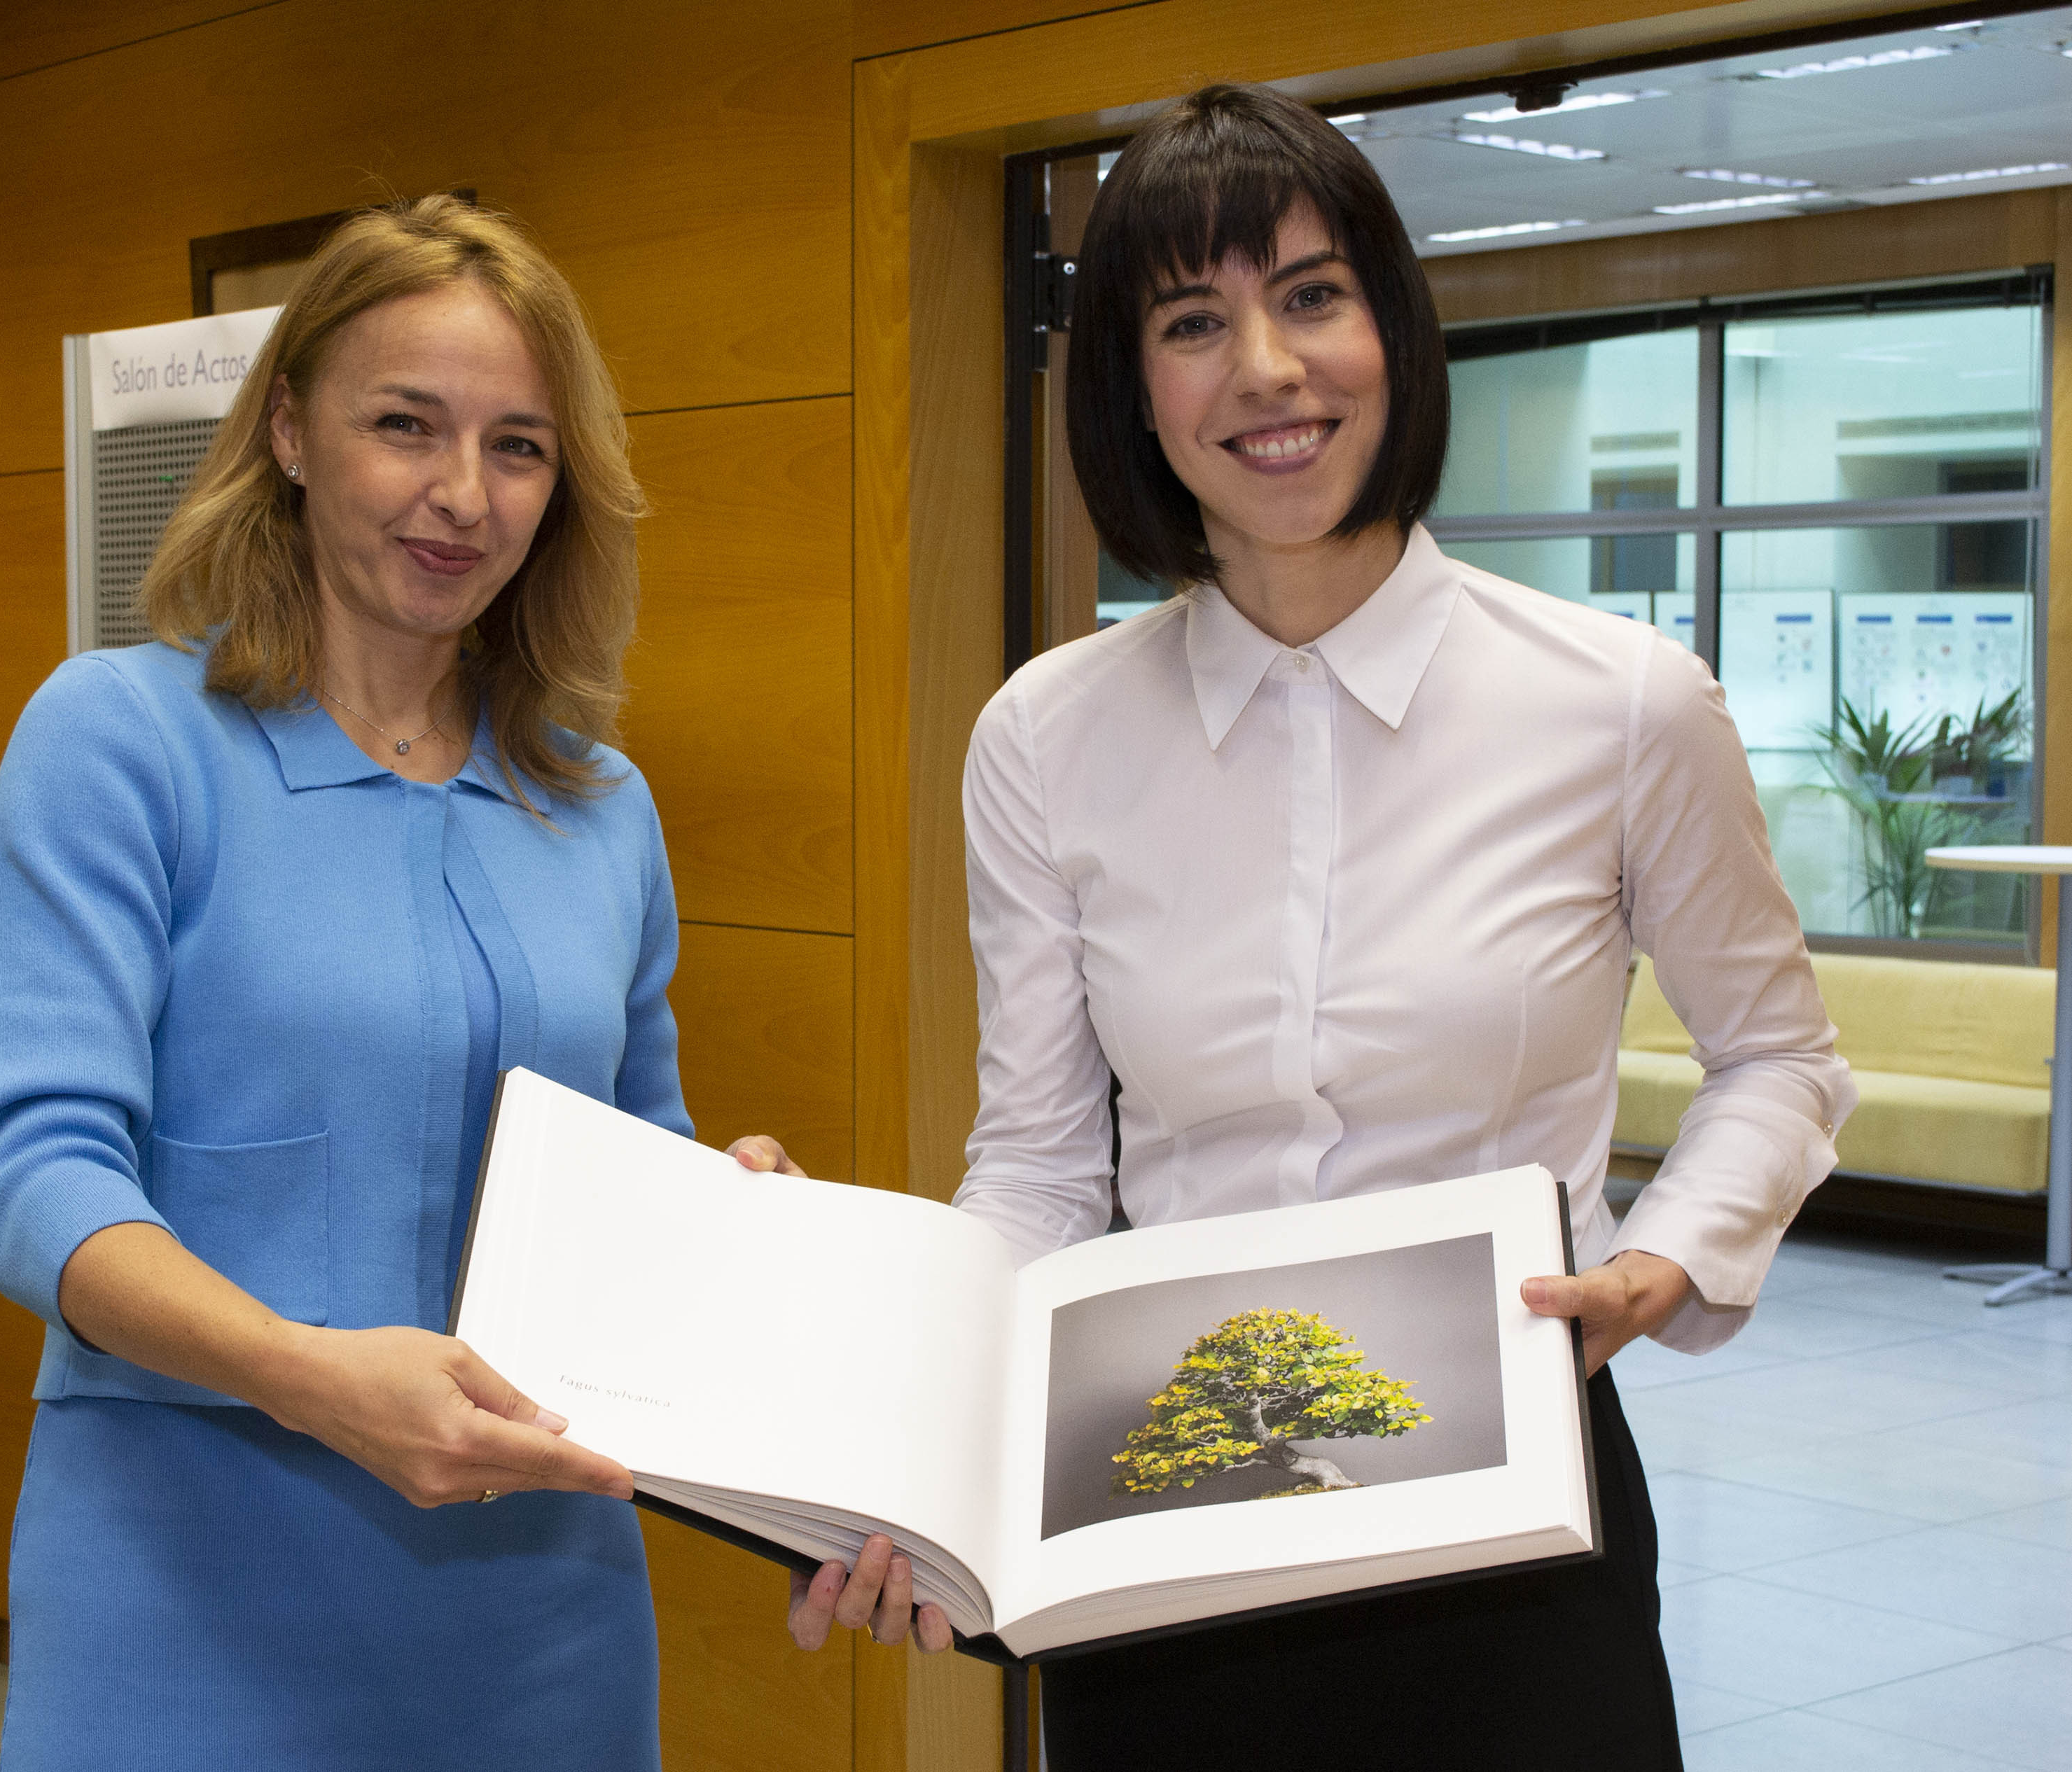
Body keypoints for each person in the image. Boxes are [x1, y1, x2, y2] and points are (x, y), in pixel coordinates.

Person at [791, 86, 1856, 1759]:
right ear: (1133, 388)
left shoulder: (1623, 703)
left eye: (1312, 296)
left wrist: (1661, 1259)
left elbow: (1779, 1058)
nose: (1267, 370)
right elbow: (1044, 1169)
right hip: (1162, 1514)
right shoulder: (1046, 735)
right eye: (1193, 322)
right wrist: (923, 1451)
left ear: (1393, 332)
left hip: (1517, 1514)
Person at [0, 194, 807, 1768]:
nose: (461, 495)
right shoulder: (120, 742)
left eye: (518, 447)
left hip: (541, 1619)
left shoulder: (597, 802)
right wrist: (305, 1376)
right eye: (405, 425)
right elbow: (38, 1180)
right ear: (289, 430)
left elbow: (635, 1157)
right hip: (185, 1581)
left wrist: (724, 1215)